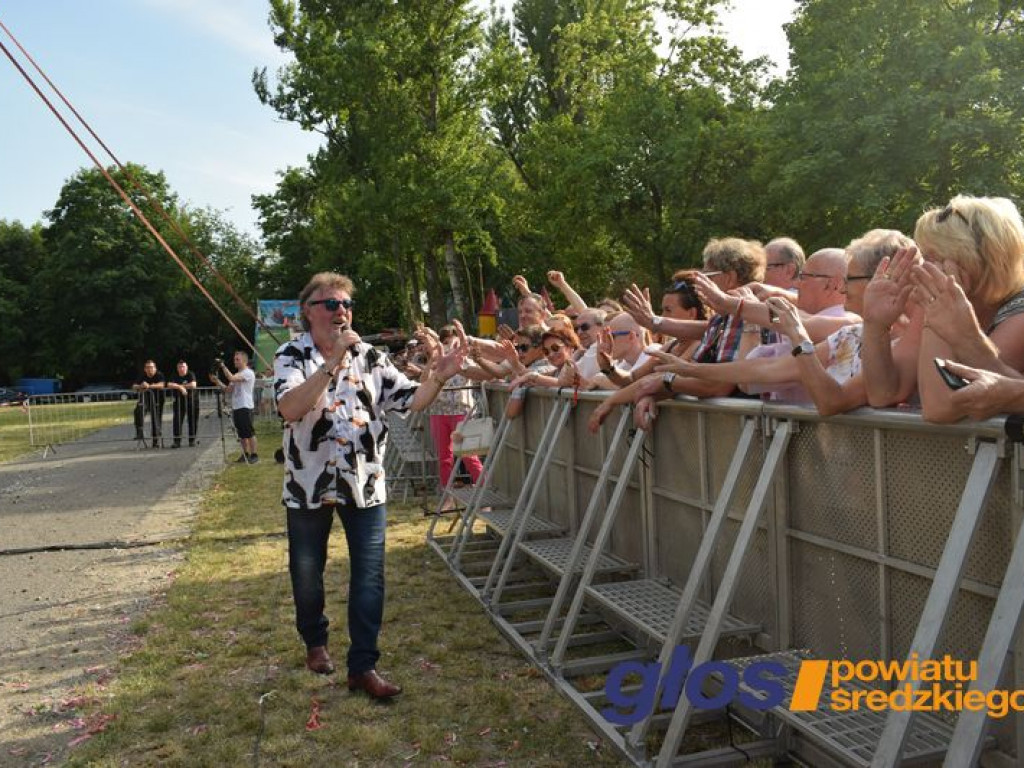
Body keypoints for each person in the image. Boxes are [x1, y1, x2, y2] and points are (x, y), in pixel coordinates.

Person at [274, 271, 467, 698]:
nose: (341, 310)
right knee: (307, 573)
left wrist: (439, 377)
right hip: (308, 484)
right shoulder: (292, 355)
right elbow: (289, 408)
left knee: (369, 577)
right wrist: (331, 364)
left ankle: (363, 666)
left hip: (365, 484)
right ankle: (315, 640)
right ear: (309, 311)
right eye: (331, 304)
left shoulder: (372, 358)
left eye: (346, 304)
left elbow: (411, 400)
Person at [428, 325, 484, 501]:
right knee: (444, 458)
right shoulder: (437, 360)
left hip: (461, 411)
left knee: (469, 454)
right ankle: (447, 497)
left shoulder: (465, 359)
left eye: (454, 340)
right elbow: (425, 379)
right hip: (438, 411)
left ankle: (485, 495)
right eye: (445, 341)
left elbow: (483, 374)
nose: (450, 344)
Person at [214, 351, 258, 463]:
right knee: (241, 433)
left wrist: (223, 366)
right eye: (234, 359)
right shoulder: (237, 374)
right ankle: (245, 454)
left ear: (244, 361)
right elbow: (228, 390)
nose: (235, 361)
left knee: (249, 432)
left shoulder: (248, 373)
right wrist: (217, 381)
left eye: (237, 359)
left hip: (245, 406)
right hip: (237, 406)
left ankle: (254, 454)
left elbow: (232, 378)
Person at [132, 359, 165, 448]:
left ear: (155, 368)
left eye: (151, 367)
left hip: (157, 399)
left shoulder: (159, 374)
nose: (149, 369)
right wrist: (140, 386)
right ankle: (140, 432)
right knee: (138, 411)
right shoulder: (142, 375)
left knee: (156, 419)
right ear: (145, 369)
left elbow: (162, 385)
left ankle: (156, 440)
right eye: (147, 367)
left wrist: (149, 386)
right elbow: (134, 386)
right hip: (145, 398)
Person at [167, 359, 199, 447]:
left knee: (192, 420)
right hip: (178, 401)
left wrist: (179, 386)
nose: (182, 369)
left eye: (183, 367)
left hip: (192, 400)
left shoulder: (190, 374)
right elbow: (169, 384)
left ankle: (192, 440)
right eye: (180, 367)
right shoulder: (174, 375)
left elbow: (193, 385)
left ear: (186, 367)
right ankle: (177, 442)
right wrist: (181, 388)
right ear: (177, 368)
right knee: (177, 420)